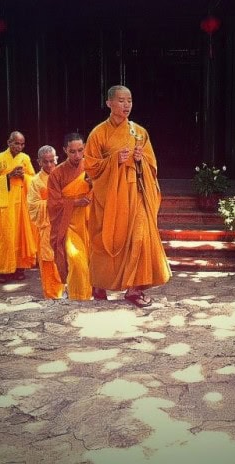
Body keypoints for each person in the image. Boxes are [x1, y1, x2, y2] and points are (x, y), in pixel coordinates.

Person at [84, 85, 171, 307]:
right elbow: (91, 167)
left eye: (129, 101)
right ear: (109, 103)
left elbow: (152, 165)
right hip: (111, 197)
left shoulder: (139, 132)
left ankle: (134, 288)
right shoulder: (98, 133)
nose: (126, 105)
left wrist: (141, 159)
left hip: (136, 194)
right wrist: (115, 161)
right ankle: (99, 284)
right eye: (121, 101)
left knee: (139, 238)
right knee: (107, 239)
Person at [47, 133, 94, 301]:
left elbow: (102, 191)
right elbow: (53, 203)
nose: (77, 156)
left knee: (90, 262)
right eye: (72, 151)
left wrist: (92, 187)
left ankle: (86, 295)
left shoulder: (90, 167)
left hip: (89, 221)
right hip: (68, 224)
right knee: (76, 260)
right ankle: (77, 297)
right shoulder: (56, 174)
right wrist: (75, 202)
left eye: (81, 150)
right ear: (65, 150)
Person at [0, 131, 38, 283]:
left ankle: (19, 268)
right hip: (5, 204)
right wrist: (8, 176)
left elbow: (34, 180)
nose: (19, 147)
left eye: (22, 144)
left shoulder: (25, 158)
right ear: (9, 142)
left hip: (21, 203)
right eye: (16, 143)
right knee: (6, 237)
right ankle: (3, 271)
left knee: (20, 236)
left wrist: (24, 177)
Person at [27, 145, 64, 299]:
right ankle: (52, 296)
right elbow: (33, 207)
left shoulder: (63, 175)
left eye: (52, 161)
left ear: (56, 159)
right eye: (45, 162)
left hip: (65, 226)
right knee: (49, 262)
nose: (49, 165)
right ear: (39, 162)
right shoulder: (35, 181)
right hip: (47, 229)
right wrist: (52, 202)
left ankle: (69, 293)